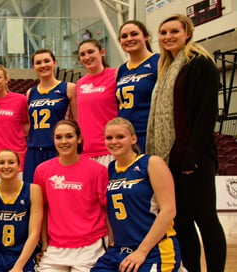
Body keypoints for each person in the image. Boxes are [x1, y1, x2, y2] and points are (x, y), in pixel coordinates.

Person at [148, 13, 226, 272]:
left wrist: (192, 156)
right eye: (163, 32)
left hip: (194, 158)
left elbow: (206, 114)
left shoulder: (199, 63)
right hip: (170, 160)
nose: (168, 36)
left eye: (174, 31)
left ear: (188, 32)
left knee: (206, 220)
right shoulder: (166, 68)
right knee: (180, 223)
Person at [80, 117, 194, 272]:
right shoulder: (112, 169)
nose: (113, 141)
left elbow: (169, 211)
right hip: (121, 249)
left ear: (133, 138)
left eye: (120, 137)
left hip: (153, 249)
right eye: (109, 137)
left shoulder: (151, 163)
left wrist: (141, 251)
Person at [32, 120, 107, 272]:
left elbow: (107, 209)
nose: (64, 141)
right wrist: (44, 242)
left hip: (89, 243)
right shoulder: (42, 170)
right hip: (58, 243)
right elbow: (42, 209)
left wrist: (110, 242)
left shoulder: (98, 170)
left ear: (79, 139)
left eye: (69, 136)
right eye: (59, 137)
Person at [24, 49, 77, 182]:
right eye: (38, 63)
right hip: (34, 150)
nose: (43, 65)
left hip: (58, 149)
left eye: (47, 61)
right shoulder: (30, 92)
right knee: (34, 193)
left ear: (54, 63)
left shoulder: (69, 88)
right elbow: (29, 124)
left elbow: (76, 122)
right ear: (33, 67)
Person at [116, 20, 159, 152]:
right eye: (124, 36)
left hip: (150, 134)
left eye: (134, 34)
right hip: (126, 137)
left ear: (145, 36)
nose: (129, 39)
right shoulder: (121, 70)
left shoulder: (159, 61)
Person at [76, 39, 117, 167]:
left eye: (90, 52)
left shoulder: (115, 75)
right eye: (82, 54)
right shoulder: (80, 83)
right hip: (87, 150)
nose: (87, 57)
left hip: (110, 148)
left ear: (102, 52)